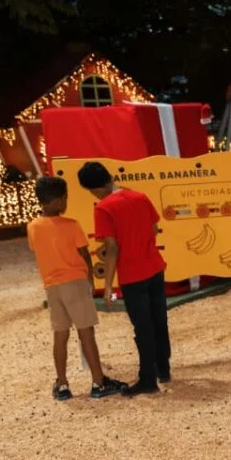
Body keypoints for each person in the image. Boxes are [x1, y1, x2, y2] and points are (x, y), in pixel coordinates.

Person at [26, 176, 126, 401]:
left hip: (52, 286)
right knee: (86, 333)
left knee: (60, 335)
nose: (66, 201)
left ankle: (62, 384)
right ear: (58, 200)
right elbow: (84, 255)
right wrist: (89, 281)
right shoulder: (71, 225)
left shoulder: (32, 227)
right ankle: (98, 382)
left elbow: (38, 250)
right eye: (65, 198)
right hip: (75, 283)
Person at [77, 161, 171, 397]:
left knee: (143, 327)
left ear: (94, 189)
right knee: (159, 320)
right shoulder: (139, 196)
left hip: (132, 274)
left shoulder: (104, 208)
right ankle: (164, 369)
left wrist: (107, 285)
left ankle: (147, 379)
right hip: (154, 266)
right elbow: (155, 227)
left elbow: (112, 248)